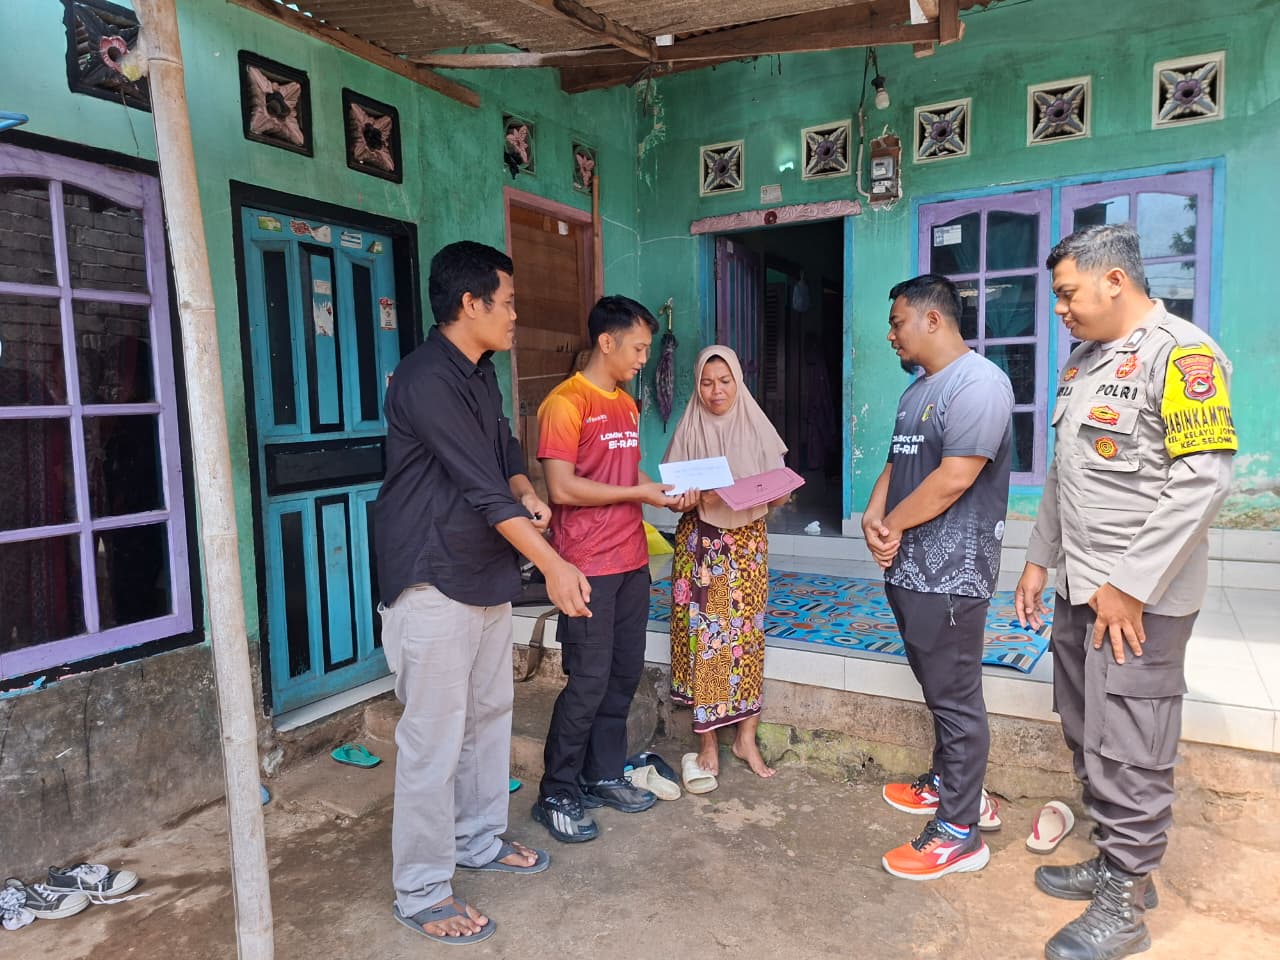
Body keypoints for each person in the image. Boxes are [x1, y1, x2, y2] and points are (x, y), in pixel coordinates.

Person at [1014, 224, 1236, 960]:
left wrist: (1130, 587)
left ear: (1114, 281)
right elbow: (1064, 474)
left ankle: (1125, 905)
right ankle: (1119, 867)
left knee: (1131, 743)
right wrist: (1039, 560)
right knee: (1087, 727)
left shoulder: (1183, 354)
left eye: (1067, 293)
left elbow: (1203, 481)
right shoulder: (1083, 362)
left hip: (1139, 601)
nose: (1059, 309)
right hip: (1082, 586)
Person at [373, 241, 592, 945]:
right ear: (470, 304)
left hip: (483, 572)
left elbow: (502, 460)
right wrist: (553, 564)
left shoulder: (481, 371)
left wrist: (527, 491)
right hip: (431, 576)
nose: (516, 315)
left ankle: (477, 839)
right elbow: (475, 485)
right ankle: (421, 888)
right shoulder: (425, 379)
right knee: (434, 740)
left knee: (487, 717)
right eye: (509, 302)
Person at [861, 273, 1014, 882]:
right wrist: (875, 513)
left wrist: (892, 524)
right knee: (937, 687)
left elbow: (955, 477)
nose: (891, 335)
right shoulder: (917, 390)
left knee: (955, 699)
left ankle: (960, 831)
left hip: (952, 575)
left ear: (932, 319)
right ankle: (953, 784)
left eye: (896, 322)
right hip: (911, 569)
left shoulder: (980, 384)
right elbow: (897, 460)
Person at [532, 295, 696, 843]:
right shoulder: (565, 403)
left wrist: (661, 491)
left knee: (624, 674)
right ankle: (557, 789)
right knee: (588, 680)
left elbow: (628, 474)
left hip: (631, 560)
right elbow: (561, 488)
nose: (644, 358)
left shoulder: (625, 404)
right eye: (639, 348)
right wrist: (638, 493)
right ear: (607, 342)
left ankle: (601, 774)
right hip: (586, 566)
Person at [665, 346, 789, 781]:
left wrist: (772, 493)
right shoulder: (690, 427)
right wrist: (691, 497)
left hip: (748, 546)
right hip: (703, 546)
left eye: (724, 381)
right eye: (706, 382)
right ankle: (707, 741)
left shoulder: (756, 424)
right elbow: (672, 497)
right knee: (710, 640)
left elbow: (780, 492)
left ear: (738, 381)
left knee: (748, 637)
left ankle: (745, 738)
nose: (716, 391)